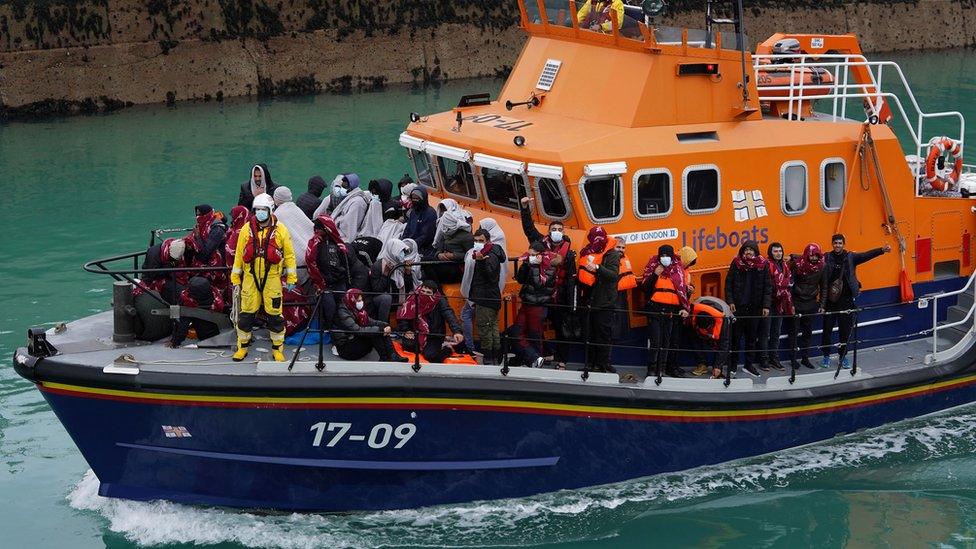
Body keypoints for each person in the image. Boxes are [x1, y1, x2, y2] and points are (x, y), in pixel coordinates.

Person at [230, 193, 298, 362]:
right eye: (257, 210)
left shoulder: (280, 229)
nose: (259, 213)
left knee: (275, 316)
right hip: (250, 278)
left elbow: (289, 256)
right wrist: (235, 278)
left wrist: (291, 278)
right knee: (246, 315)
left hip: (272, 279)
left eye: (263, 210)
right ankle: (242, 347)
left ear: (270, 211)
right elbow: (239, 255)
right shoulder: (246, 229)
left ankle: (277, 349)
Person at [518, 196, 576, 368]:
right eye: (554, 229)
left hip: (558, 295)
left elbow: (571, 278)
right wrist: (525, 208)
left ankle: (562, 360)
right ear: (549, 231)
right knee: (536, 326)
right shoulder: (541, 243)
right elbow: (529, 229)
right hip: (542, 294)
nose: (557, 231)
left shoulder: (569, 253)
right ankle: (544, 354)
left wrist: (572, 303)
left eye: (560, 228)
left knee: (561, 329)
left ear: (563, 231)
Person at [820, 234, 891, 369]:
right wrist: (793, 257)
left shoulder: (851, 257)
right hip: (830, 300)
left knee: (845, 330)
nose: (837, 245)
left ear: (844, 244)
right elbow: (812, 257)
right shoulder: (827, 257)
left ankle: (843, 356)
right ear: (832, 244)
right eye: (835, 243)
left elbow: (866, 255)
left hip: (846, 300)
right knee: (827, 329)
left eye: (840, 243)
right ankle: (826, 356)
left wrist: (882, 250)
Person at [641, 244, 691, 379]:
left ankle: (661, 369)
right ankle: (652, 369)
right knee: (656, 341)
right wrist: (655, 275)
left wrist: (683, 308)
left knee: (666, 342)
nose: (664, 258)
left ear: (672, 256)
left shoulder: (678, 270)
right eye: (662, 255)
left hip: (671, 311)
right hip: (655, 309)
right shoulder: (653, 268)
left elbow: (682, 292)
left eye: (667, 255)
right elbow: (645, 288)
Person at [306, 215, 364, 329]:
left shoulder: (339, 245)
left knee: (343, 307)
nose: (317, 231)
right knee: (330, 308)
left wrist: (347, 281)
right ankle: (331, 331)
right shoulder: (314, 245)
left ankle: (344, 331)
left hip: (339, 282)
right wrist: (319, 283)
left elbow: (347, 264)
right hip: (324, 285)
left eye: (319, 229)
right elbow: (310, 262)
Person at [725, 240, 772, 377]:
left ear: (756, 251)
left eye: (751, 249)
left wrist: (766, 305)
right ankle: (733, 365)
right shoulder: (736, 263)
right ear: (742, 251)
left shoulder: (763, 265)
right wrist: (731, 301)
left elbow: (768, 286)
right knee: (736, 338)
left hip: (755, 308)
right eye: (746, 249)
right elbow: (729, 284)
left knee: (752, 338)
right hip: (739, 308)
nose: (749, 252)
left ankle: (748, 365)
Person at [578, 226, 621, 373]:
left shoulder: (613, 255)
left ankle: (603, 364)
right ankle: (589, 364)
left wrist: (596, 267)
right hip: (589, 299)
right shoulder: (586, 252)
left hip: (605, 301)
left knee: (603, 334)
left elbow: (613, 275)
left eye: (600, 237)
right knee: (589, 334)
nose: (598, 240)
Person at [461, 229, 506, 364]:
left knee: (485, 329)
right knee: (492, 328)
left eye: (481, 241)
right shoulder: (490, 253)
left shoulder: (489, 255)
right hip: (487, 296)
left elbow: (491, 276)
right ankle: (495, 358)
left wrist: (481, 261)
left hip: (486, 298)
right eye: (476, 241)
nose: (477, 243)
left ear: (488, 241)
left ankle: (489, 359)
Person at [397, 281, 466, 363]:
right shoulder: (413, 297)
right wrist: (407, 330)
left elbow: (449, 314)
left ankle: (449, 348)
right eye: (423, 291)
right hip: (416, 331)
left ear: (434, 293)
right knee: (408, 346)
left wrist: (457, 331)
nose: (424, 294)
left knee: (430, 356)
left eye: (428, 292)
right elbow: (403, 316)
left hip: (434, 334)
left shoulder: (440, 300)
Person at [332, 289, 408, 362]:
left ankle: (392, 355)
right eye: (358, 301)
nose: (361, 302)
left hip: (354, 340)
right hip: (346, 348)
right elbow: (357, 330)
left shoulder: (355, 309)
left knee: (380, 328)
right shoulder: (342, 312)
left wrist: (385, 325)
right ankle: (385, 357)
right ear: (352, 300)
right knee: (375, 332)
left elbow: (370, 321)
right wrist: (380, 330)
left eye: (361, 300)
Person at [514, 241, 558, 367]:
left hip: (538, 305)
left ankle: (536, 361)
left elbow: (540, 284)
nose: (531, 256)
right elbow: (520, 279)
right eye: (529, 254)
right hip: (526, 302)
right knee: (516, 332)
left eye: (533, 254)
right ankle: (534, 358)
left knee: (535, 334)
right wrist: (526, 265)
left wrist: (534, 267)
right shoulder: (529, 263)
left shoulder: (550, 267)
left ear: (540, 255)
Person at [364, 238, 420, 322]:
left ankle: (406, 328)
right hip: (379, 299)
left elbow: (408, 289)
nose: (403, 254)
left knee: (414, 295)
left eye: (404, 252)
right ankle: (383, 326)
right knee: (387, 298)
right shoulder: (378, 266)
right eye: (400, 251)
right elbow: (377, 290)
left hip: (398, 297)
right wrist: (385, 274)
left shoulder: (401, 265)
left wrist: (408, 273)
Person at [788, 243, 825, 370]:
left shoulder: (822, 266)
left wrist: (821, 304)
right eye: (812, 255)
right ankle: (793, 359)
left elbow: (824, 286)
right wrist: (791, 304)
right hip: (797, 303)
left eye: (816, 255)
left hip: (811, 303)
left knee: (807, 333)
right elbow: (790, 285)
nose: (814, 258)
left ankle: (805, 358)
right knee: (793, 332)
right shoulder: (797, 265)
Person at [424, 199, 473, 283]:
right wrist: (439, 254)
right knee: (424, 261)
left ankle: (438, 290)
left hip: (457, 266)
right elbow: (439, 245)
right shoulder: (447, 232)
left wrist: (454, 255)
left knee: (429, 267)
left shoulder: (467, 236)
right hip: (445, 261)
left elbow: (471, 255)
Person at [761, 242, 793, 372]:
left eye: (780, 251)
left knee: (776, 333)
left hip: (780, 304)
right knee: (765, 333)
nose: (778, 253)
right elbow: (766, 286)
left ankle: (774, 357)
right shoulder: (767, 265)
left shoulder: (785, 266)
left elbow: (789, 281)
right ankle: (764, 359)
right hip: (768, 304)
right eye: (775, 251)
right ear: (770, 252)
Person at [273, 186, 314, 283]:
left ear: (276, 199)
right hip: (310, 256)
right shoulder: (296, 209)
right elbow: (310, 228)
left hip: (296, 263)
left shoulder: (277, 215)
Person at [169, 276, 225, 347]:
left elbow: (183, 326)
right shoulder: (217, 296)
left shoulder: (188, 303)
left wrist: (175, 341)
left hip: (205, 338)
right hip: (221, 332)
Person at [687, 296, 732, 379]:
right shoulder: (693, 311)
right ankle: (702, 363)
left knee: (722, 341)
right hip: (702, 305)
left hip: (724, 311)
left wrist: (718, 366)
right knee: (691, 334)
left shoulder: (723, 319)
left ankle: (717, 369)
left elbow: (724, 344)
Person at [138, 237, 189, 303]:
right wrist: (171, 265)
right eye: (172, 258)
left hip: (172, 274)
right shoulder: (154, 254)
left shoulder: (179, 247)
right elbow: (153, 275)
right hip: (154, 279)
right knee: (179, 290)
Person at [401, 186, 438, 253]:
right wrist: (403, 242)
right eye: (413, 198)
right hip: (409, 245)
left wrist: (412, 246)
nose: (415, 200)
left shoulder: (430, 213)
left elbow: (426, 236)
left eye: (417, 198)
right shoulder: (413, 212)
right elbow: (407, 229)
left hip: (424, 249)